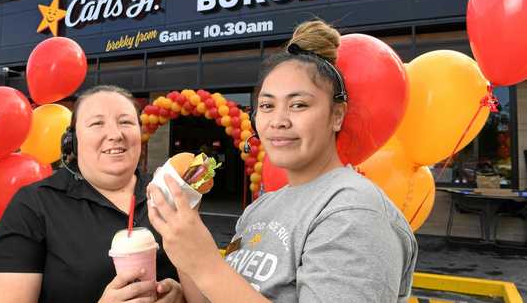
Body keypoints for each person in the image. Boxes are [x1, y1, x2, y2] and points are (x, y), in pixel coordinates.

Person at [147, 20, 418, 302]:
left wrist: (206, 265)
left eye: (298, 104)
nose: (278, 121)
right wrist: (184, 242)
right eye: (267, 105)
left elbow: (214, 275)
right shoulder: (261, 209)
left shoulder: (355, 212)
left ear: (337, 115)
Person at [0, 85, 183, 303]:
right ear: (72, 141)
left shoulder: (168, 193)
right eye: (97, 123)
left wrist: (182, 296)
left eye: (125, 122)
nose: (115, 134)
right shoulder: (34, 206)